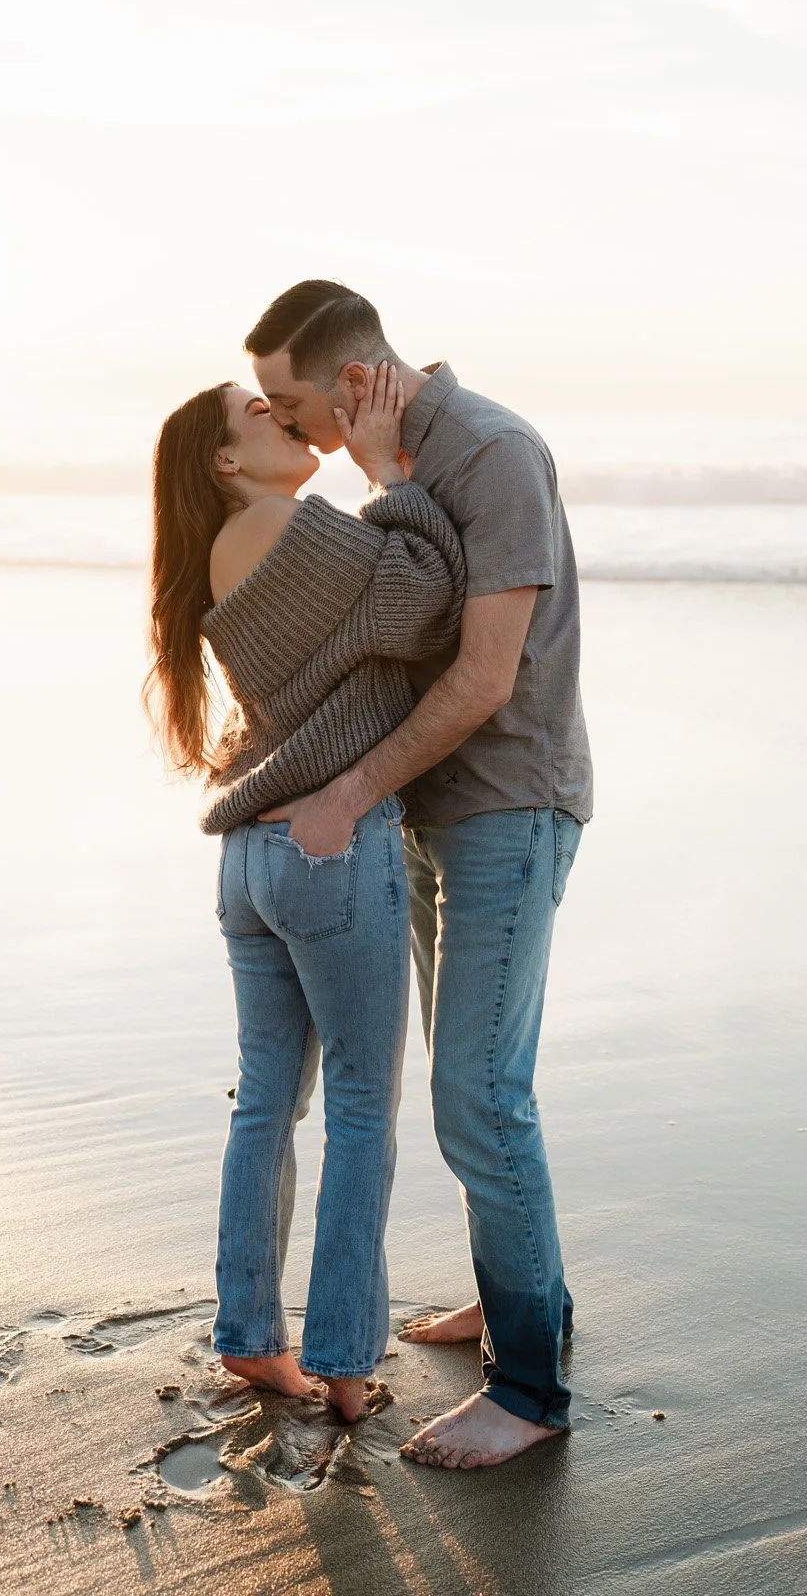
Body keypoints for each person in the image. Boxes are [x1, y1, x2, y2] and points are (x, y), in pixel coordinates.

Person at [247, 281, 593, 1470]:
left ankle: (532, 1386)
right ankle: (511, 1300)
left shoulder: (489, 451)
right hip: (437, 812)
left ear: (351, 380)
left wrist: (345, 795)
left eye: (292, 403)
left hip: (508, 804)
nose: (282, 426)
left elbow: (486, 675)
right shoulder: (395, 459)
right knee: (471, 1082)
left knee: (482, 1099)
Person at [146, 366, 465, 1426]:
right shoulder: (289, 518)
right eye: (256, 412)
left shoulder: (222, 556)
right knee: (363, 1109)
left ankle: (248, 1337)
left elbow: (363, 636)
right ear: (226, 463)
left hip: (250, 854)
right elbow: (426, 600)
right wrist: (386, 470)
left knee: (267, 1107)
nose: (279, 415)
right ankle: (339, 1360)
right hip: (329, 845)